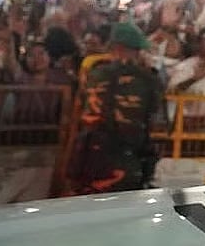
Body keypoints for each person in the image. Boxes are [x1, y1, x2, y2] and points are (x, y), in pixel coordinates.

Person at [68, 22, 162, 194]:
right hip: (127, 155)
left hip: (90, 153)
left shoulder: (95, 72)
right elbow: (154, 117)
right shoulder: (148, 79)